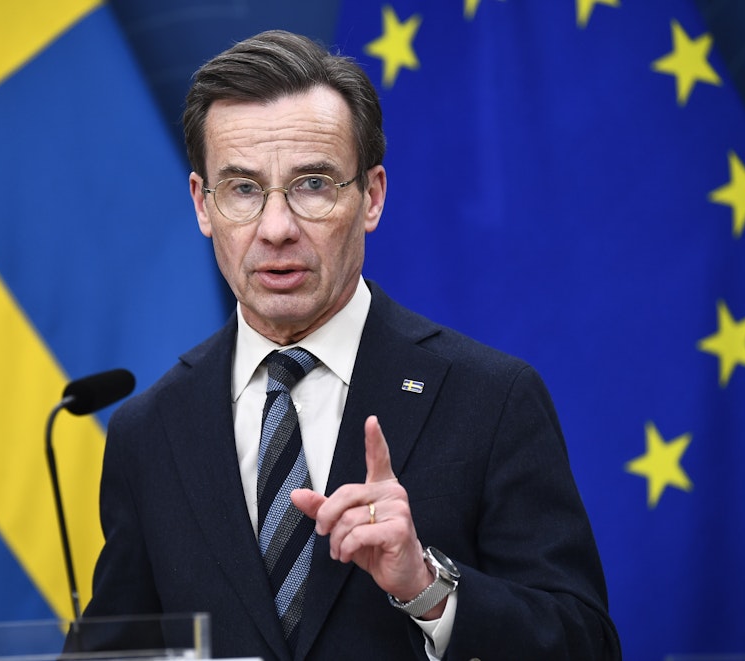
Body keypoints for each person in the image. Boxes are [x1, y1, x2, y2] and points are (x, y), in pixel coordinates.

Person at [78, 29, 620, 660]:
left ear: (372, 197)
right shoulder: (151, 431)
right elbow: (113, 651)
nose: (276, 228)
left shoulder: (491, 399)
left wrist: (426, 588)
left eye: (312, 184)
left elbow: (586, 644)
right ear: (203, 205)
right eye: (243, 189)